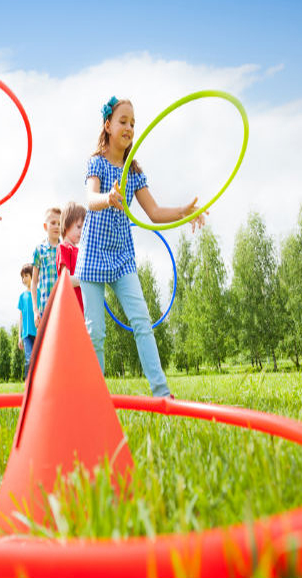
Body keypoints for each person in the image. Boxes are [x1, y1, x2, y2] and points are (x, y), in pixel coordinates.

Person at [75, 96, 206, 397]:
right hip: (93, 254)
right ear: (107, 126)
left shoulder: (133, 173)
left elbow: (155, 212)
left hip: (122, 257)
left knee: (142, 321)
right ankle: (95, 396)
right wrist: (107, 198)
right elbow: (90, 199)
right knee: (95, 332)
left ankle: (162, 392)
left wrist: (185, 212)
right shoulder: (96, 163)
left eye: (133, 123)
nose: (129, 127)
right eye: (123, 121)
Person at [31, 207, 60, 327]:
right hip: (45, 308)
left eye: (59, 223)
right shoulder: (39, 250)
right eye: (53, 223)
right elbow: (34, 282)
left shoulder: (65, 248)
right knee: (46, 344)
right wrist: (35, 310)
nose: (57, 226)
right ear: (45, 226)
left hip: (62, 305)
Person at [56, 201, 86, 313]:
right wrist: (88, 278)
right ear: (66, 224)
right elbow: (66, 280)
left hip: (83, 308)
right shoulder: (63, 247)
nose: (82, 232)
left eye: (84, 228)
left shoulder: (80, 251)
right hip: (71, 309)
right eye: (79, 227)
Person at [17, 263, 37, 379]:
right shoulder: (22, 297)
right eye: (22, 277)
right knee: (29, 358)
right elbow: (20, 318)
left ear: (32, 276)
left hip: (37, 332)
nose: (24, 279)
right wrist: (19, 336)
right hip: (26, 334)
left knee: (37, 359)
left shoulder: (37, 293)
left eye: (26, 276)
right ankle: (28, 382)